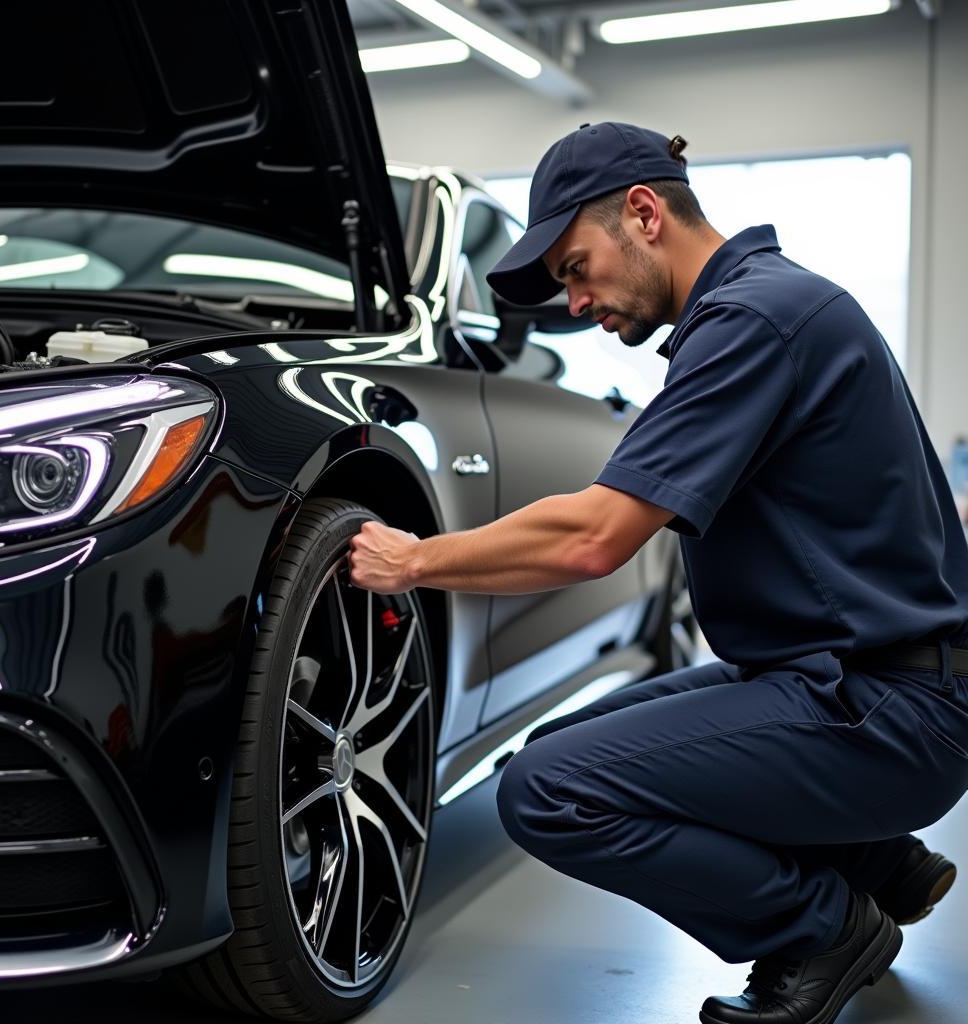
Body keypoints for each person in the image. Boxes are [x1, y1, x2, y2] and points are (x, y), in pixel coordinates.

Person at [346, 122, 968, 1024]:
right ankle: (870, 859)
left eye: (575, 267)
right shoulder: (766, 306)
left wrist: (414, 561)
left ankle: (822, 926)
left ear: (643, 213)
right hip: (856, 681)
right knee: (548, 754)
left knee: (548, 793)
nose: (574, 301)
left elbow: (594, 538)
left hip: (886, 709)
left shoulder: (751, 322)